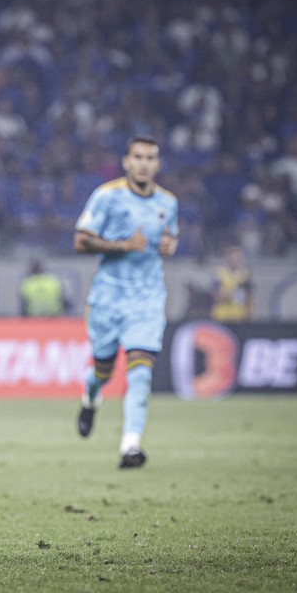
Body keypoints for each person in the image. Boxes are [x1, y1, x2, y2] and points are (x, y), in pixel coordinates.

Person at [73, 136, 178, 469]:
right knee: (102, 371)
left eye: (150, 157)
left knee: (140, 372)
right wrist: (123, 245)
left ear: (157, 164)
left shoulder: (168, 202)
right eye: (138, 157)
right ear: (126, 162)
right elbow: (80, 242)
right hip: (108, 298)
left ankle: (130, 447)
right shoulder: (107, 196)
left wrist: (169, 247)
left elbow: (170, 235)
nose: (144, 163)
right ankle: (90, 399)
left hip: (147, 299)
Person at [210, 245, 253, 322]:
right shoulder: (219, 273)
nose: (233, 260)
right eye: (231, 257)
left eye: (236, 257)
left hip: (239, 316)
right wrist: (235, 294)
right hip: (221, 316)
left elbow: (250, 297)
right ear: (226, 258)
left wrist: (249, 314)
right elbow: (217, 296)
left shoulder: (246, 274)